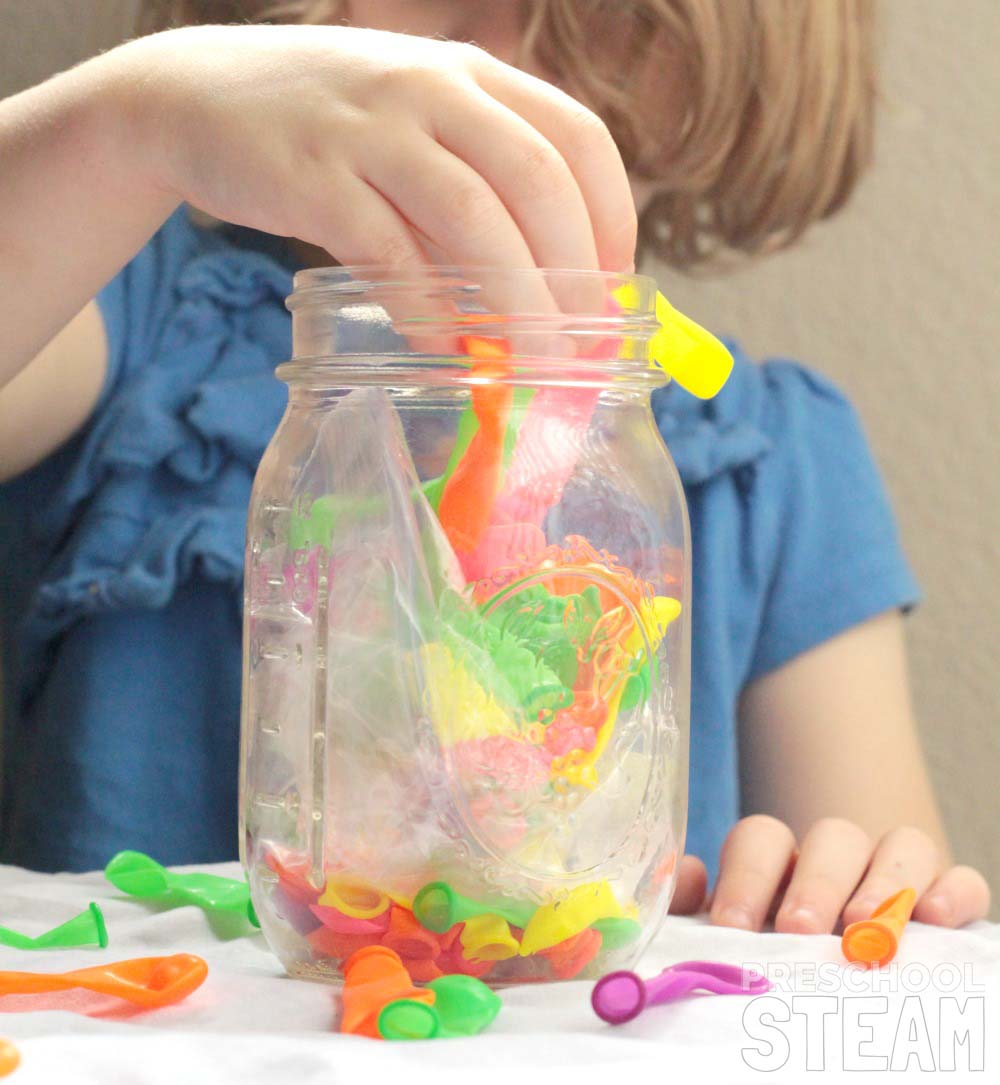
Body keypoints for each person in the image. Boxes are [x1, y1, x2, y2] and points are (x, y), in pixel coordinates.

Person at [0, 0, 989, 934]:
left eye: (614, 15)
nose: (496, 50)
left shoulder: (774, 465)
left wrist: (840, 888)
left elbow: (882, 915)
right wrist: (140, 123)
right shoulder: (122, 310)